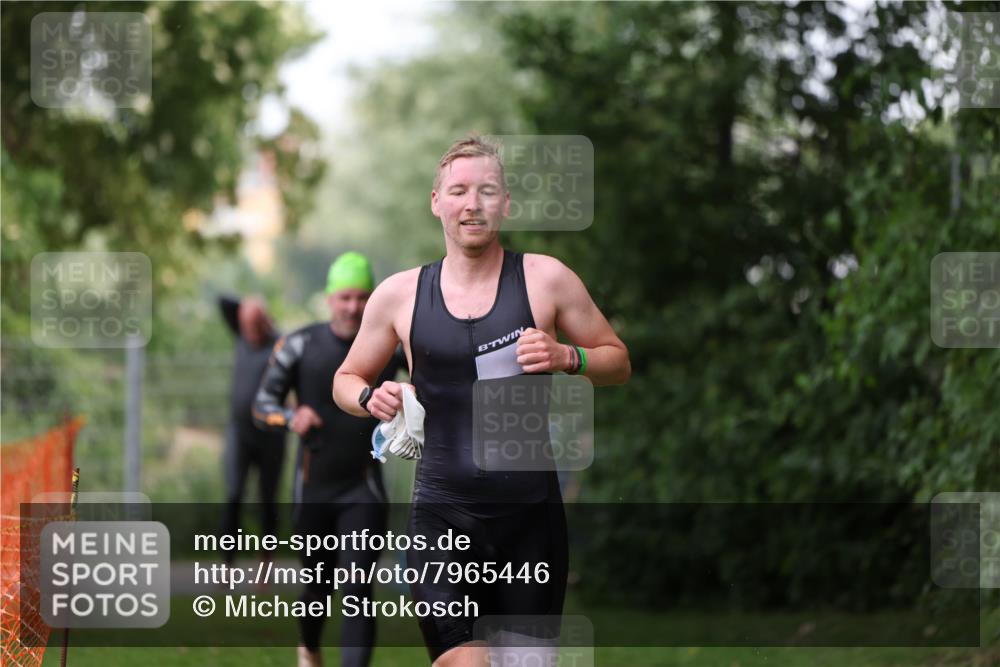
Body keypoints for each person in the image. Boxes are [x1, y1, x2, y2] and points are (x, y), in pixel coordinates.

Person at [333, 136, 630, 666]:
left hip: (530, 523)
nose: (473, 204)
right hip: (442, 517)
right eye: (459, 191)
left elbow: (617, 360)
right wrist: (368, 396)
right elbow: (346, 376)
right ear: (436, 202)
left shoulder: (546, 279)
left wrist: (568, 357)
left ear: (506, 203)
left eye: (487, 191)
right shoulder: (401, 295)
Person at [253, 252, 404, 667]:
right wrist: (290, 416)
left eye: (362, 297)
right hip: (313, 488)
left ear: (372, 300)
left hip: (363, 487)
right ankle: (310, 650)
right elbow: (261, 404)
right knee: (317, 589)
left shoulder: (390, 346)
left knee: (357, 589)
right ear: (330, 299)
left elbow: (434, 382)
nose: (353, 307)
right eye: (345, 297)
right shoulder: (299, 344)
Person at [218, 295, 285, 568]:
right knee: (233, 495)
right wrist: (249, 306)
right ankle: (226, 566)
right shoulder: (240, 337)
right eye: (246, 323)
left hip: (271, 437)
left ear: (265, 322)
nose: (250, 330)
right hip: (240, 436)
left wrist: (266, 319)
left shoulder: (279, 345)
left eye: (256, 324)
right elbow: (222, 302)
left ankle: (265, 563)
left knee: (268, 500)